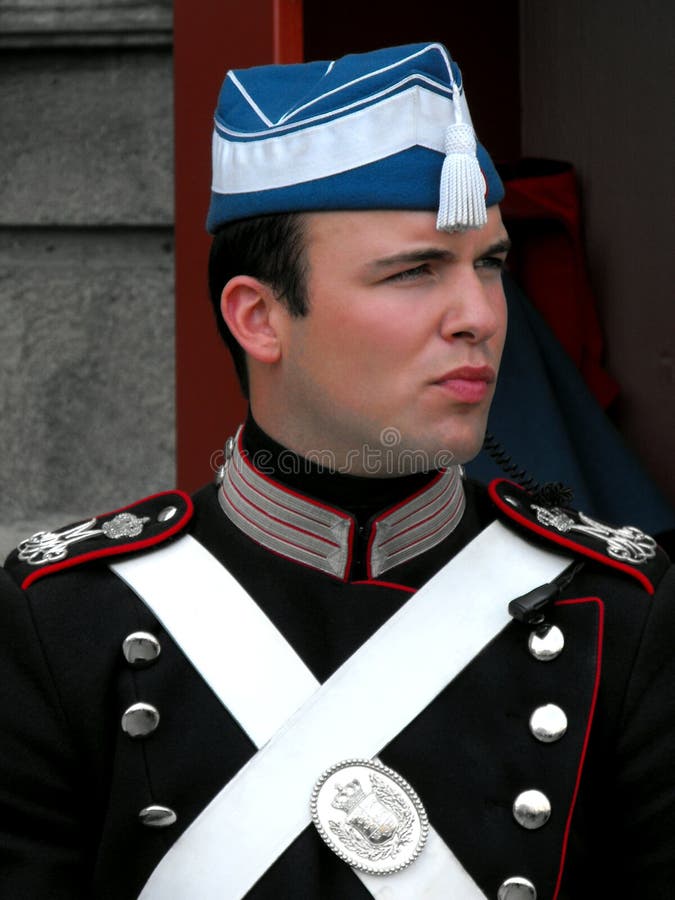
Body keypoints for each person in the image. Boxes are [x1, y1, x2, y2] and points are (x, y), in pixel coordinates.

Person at [1, 41, 674, 900]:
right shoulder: (63, 620)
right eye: (414, 271)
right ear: (258, 317)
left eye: (489, 265)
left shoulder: (622, 609)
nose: (479, 315)